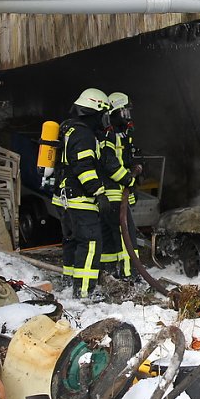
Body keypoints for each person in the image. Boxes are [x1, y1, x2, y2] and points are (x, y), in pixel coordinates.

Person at [51, 88, 112, 299]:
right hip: (79, 199)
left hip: (64, 198)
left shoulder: (68, 130)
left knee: (72, 242)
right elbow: (84, 167)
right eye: (103, 114)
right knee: (91, 243)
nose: (104, 120)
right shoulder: (84, 134)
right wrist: (99, 192)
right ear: (94, 111)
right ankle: (84, 293)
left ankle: (70, 284)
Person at [97, 92, 138, 279]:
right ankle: (131, 276)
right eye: (123, 113)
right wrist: (129, 180)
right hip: (113, 195)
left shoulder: (120, 136)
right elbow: (111, 165)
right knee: (126, 236)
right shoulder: (109, 137)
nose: (127, 117)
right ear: (112, 115)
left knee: (109, 238)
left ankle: (110, 273)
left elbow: (124, 162)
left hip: (114, 195)